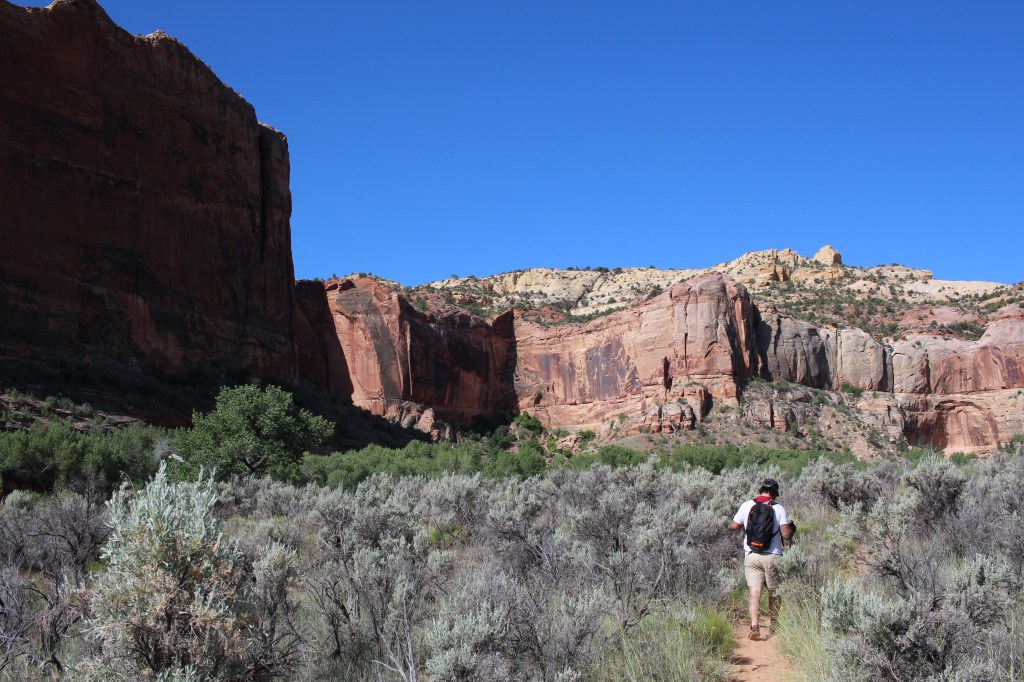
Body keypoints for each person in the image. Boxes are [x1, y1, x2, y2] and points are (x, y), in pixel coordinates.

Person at [730, 478, 795, 640]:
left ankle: (754, 626)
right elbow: (786, 535)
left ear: (761, 490)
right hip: (773, 555)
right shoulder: (779, 508)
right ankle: (774, 627)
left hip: (751, 556)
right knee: (774, 592)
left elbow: (734, 526)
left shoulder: (747, 505)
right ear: (774, 493)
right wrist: (792, 529)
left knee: (754, 592)